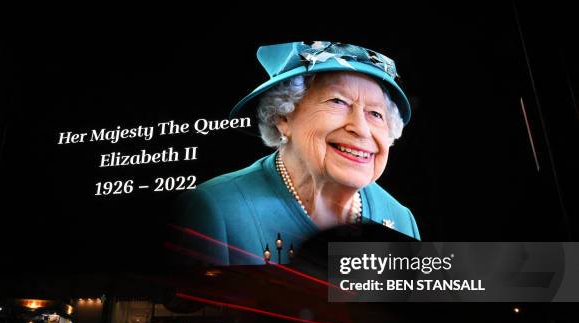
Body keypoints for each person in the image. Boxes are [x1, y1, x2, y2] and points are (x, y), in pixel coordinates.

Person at [175, 41, 420, 265]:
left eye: (375, 114)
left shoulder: (400, 219)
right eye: (338, 101)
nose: (361, 129)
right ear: (283, 116)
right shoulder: (217, 210)